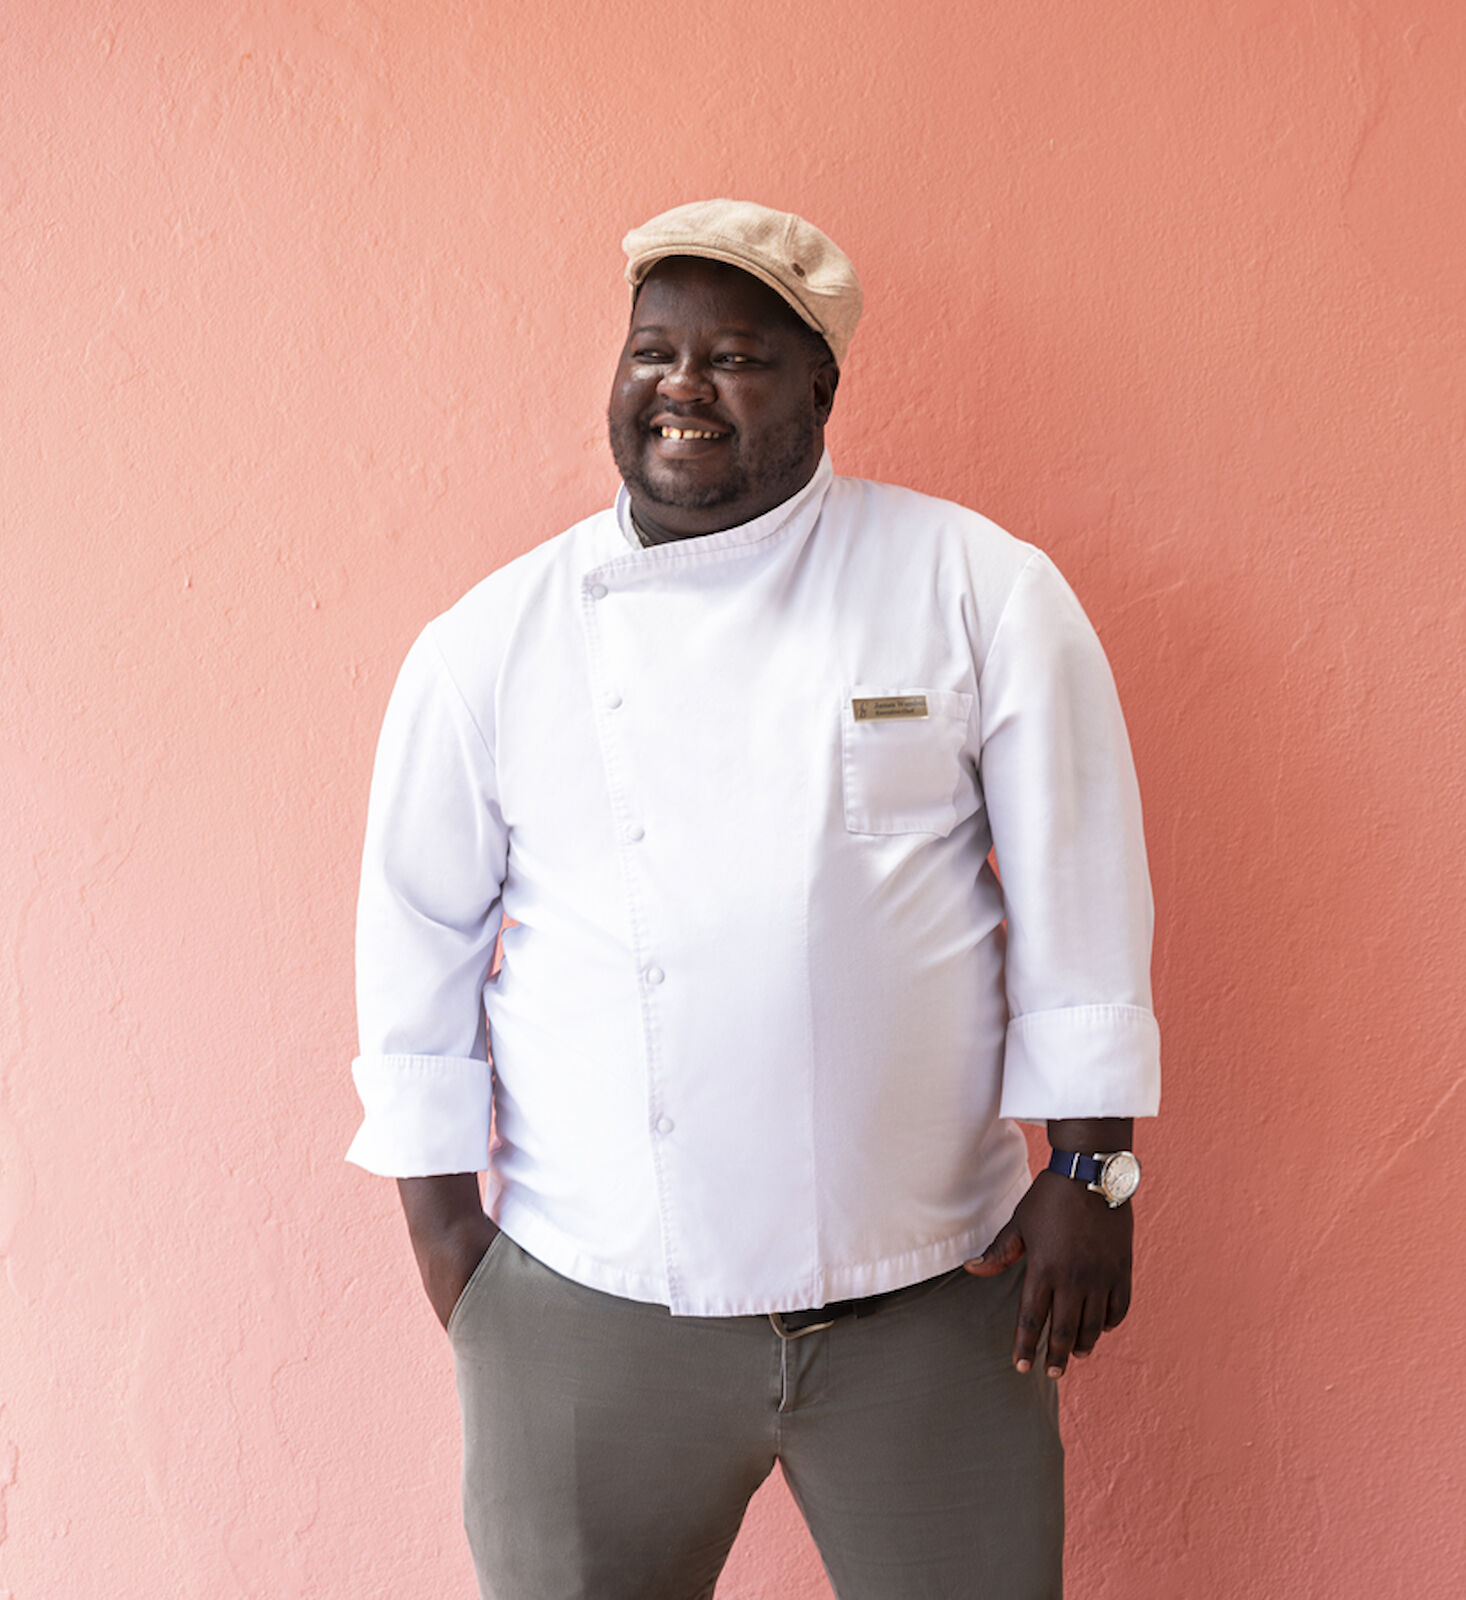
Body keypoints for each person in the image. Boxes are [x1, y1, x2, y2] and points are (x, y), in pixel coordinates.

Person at [347, 199, 1160, 1600]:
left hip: (933, 1297)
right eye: (654, 349)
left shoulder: (976, 586)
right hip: (589, 1306)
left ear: (822, 387)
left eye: (735, 357)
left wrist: (1094, 1169)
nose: (683, 387)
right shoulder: (491, 643)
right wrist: (455, 1259)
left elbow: (1081, 886)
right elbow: (412, 943)